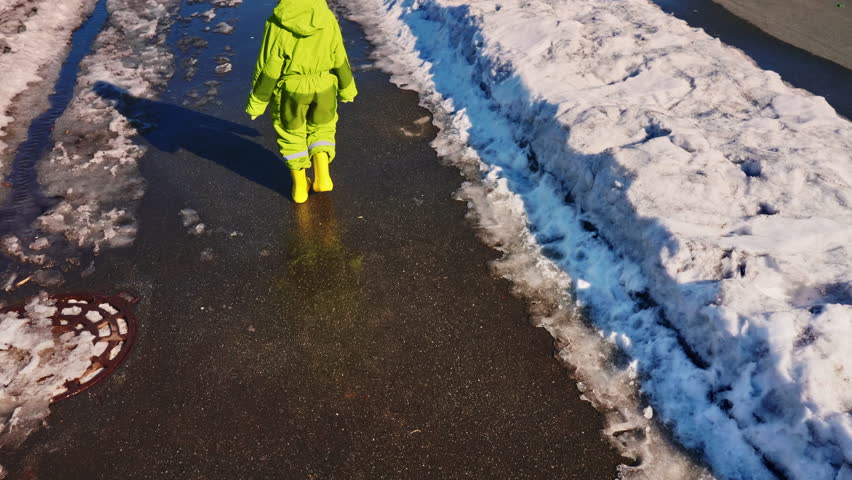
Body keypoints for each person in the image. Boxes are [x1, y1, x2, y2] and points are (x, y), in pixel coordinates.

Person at [246, 0, 357, 203]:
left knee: (291, 135)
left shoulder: (277, 23)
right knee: (322, 128)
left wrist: (257, 101)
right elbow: (339, 55)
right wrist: (347, 88)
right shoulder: (327, 17)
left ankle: (299, 187)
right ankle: (322, 176)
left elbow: (268, 66)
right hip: (324, 85)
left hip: (291, 89)